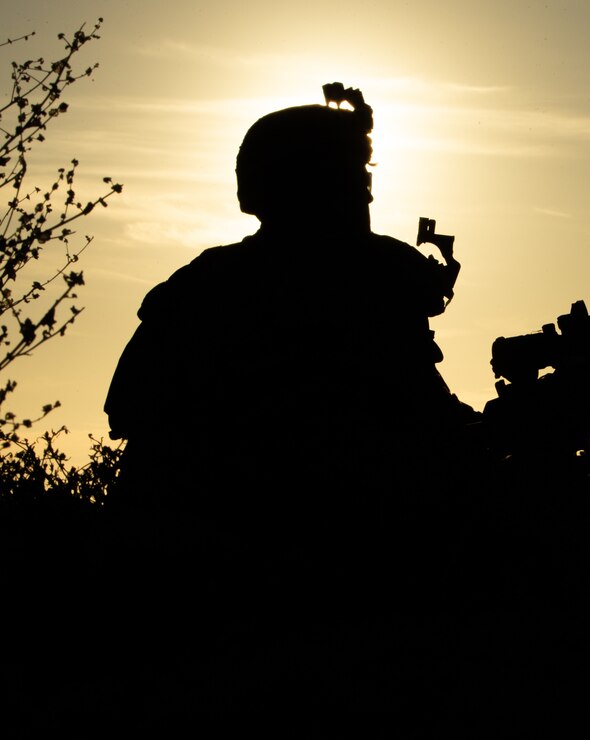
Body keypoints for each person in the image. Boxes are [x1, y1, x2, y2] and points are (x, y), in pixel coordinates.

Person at [103, 82, 477, 527]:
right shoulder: (373, 278)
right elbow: (420, 420)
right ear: (317, 182)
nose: (367, 191)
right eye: (356, 175)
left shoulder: (204, 283)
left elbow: (127, 405)